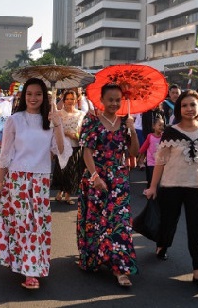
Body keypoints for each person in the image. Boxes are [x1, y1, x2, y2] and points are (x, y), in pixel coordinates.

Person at [0, 78, 66, 290]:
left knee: (38, 225)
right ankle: (28, 269)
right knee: (23, 225)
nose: (33, 98)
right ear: (23, 97)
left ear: (45, 97)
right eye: (29, 94)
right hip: (18, 180)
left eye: (38, 94)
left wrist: (58, 123)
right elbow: (5, 154)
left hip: (41, 179)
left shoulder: (51, 120)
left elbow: (60, 151)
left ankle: (32, 265)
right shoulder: (15, 120)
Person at [144, 90, 198, 286]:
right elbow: (160, 161)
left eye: (193, 105)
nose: (189, 109)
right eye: (184, 105)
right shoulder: (171, 131)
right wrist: (153, 187)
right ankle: (162, 245)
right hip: (171, 185)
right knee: (168, 222)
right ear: (179, 108)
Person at [77, 83, 139, 287]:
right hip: (96, 176)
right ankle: (93, 258)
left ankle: (120, 268)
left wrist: (133, 130)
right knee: (95, 221)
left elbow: (134, 153)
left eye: (117, 100)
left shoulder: (125, 122)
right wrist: (95, 176)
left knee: (118, 222)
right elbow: (86, 151)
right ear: (101, 100)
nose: (114, 103)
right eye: (110, 99)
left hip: (119, 178)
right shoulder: (91, 120)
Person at [51, 89, 85, 204]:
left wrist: (75, 136)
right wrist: (64, 133)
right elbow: (53, 129)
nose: (70, 101)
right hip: (62, 145)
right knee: (61, 169)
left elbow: (83, 132)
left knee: (72, 170)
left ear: (76, 100)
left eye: (72, 99)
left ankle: (68, 195)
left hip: (75, 145)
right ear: (64, 100)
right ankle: (59, 192)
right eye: (67, 99)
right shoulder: (58, 114)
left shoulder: (81, 114)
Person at [138, 117, 165, 188]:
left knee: (159, 178)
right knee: (151, 178)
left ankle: (157, 192)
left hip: (160, 162)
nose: (161, 127)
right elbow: (144, 146)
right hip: (151, 162)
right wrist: (139, 155)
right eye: (159, 125)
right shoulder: (150, 136)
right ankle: (149, 190)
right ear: (154, 126)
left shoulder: (163, 137)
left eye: (163, 125)